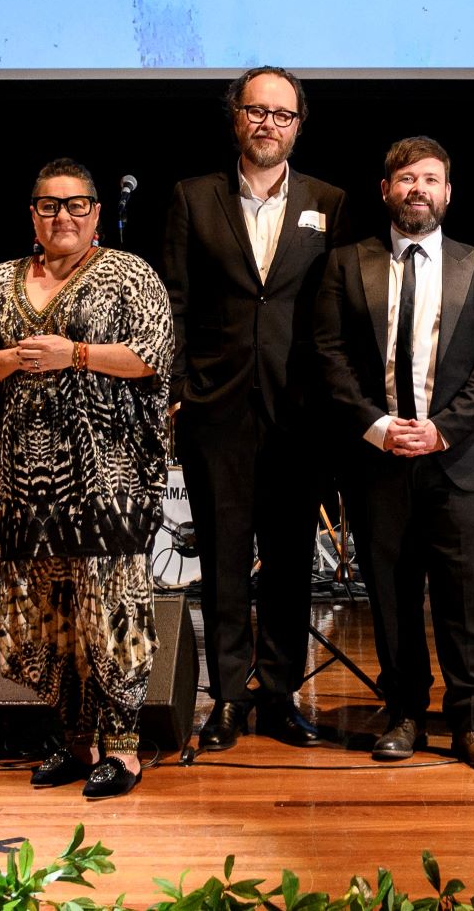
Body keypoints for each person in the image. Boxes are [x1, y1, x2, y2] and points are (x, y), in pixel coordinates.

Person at [0, 158, 174, 797]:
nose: (63, 217)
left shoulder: (129, 275)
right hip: (21, 486)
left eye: (77, 205)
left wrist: (72, 354)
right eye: (50, 205)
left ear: (96, 213)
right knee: (51, 622)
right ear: (32, 215)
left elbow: (149, 356)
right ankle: (76, 743)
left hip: (109, 480)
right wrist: (16, 358)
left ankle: (124, 751)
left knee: (111, 613)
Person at [312, 137, 474, 770]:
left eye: (430, 178)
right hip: (378, 462)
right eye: (406, 179)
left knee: (464, 598)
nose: (417, 189)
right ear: (386, 191)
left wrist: (442, 428)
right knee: (393, 597)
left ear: (448, 192)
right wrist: (377, 425)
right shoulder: (348, 264)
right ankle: (403, 713)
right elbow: (330, 355)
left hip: (459, 462)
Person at [163, 66, 348, 752]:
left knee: (291, 561)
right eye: (255, 110)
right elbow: (175, 303)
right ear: (234, 117)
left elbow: (335, 309)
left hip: (299, 413)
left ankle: (279, 695)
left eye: (282, 113)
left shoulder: (330, 201)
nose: (267, 123)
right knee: (222, 558)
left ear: (299, 124)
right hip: (217, 409)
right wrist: (180, 391)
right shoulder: (193, 197)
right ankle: (228, 697)